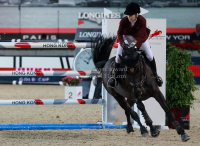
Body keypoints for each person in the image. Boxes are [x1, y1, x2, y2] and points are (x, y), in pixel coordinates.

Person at [109, 2, 163, 88]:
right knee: (118, 58)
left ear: (136, 14)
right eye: (128, 15)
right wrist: (122, 43)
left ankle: (156, 76)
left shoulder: (142, 20)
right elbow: (119, 33)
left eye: (130, 15)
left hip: (139, 39)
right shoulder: (123, 20)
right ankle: (114, 77)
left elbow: (141, 35)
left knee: (150, 56)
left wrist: (135, 46)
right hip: (126, 38)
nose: (129, 17)